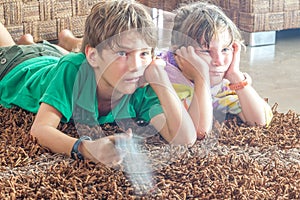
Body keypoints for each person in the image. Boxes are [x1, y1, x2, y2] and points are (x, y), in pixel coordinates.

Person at [0, 0, 197, 165]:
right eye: (123, 53)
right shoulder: (73, 70)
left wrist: (162, 81)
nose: (136, 65)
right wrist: (85, 148)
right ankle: (27, 44)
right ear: (92, 56)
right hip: (16, 67)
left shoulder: (142, 85)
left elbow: (185, 139)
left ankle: (35, 41)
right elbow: (40, 130)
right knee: (7, 45)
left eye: (145, 53)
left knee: (57, 55)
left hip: (53, 59)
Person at [163, 1, 273, 138]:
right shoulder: (166, 80)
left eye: (225, 49)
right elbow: (198, 131)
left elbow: (260, 121)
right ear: (179, 52)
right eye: (206, 51)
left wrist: (236, 77)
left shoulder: (223, 82)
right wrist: (201, 77)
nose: (219, 61)